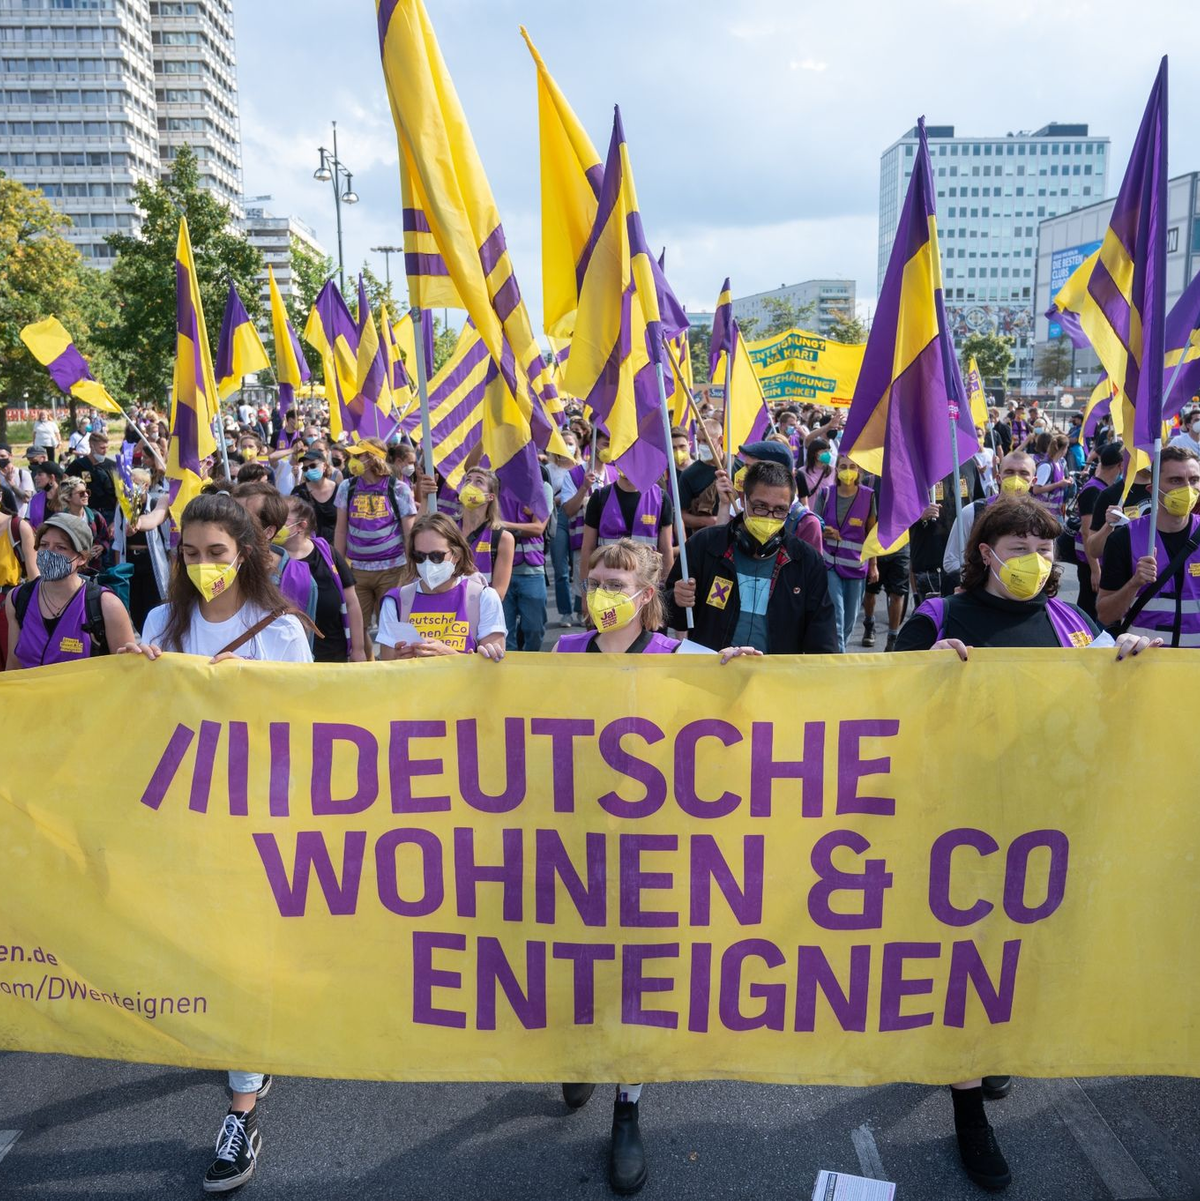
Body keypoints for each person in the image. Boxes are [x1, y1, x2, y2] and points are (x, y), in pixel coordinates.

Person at [895, 495, 1157, 1193]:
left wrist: (1133, 656)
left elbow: (1113, 684)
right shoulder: (936, 620)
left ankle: (994, 1042)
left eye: (1045, 551)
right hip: (953, 824)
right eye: (1020, 550)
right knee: (961, 963)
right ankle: (968, 1107)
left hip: (1039, 821)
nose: (1037, 564)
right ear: (984, 552)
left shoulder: (1068, 621)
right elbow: (878, 709)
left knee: (1018, 948)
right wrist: (922, 678)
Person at [554, 536, 762, 1196]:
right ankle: (579, 1049)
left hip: (651, 847)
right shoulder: (559, 654)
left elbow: (739, 708)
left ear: (647, 597)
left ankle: (627, 1103)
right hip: (572, 838)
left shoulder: (680, 656)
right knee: (573, 960)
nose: (602, 593)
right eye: (596, 579)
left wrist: (739, 670)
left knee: (635, 975)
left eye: (618, 582)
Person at [117, 492, 311, 1193]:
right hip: (186, 817)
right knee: (205, 948)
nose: (204, 566)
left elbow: (309, 730)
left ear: (247, 554)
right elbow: (144, 721)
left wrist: (250, 697)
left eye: (217, 554)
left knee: (241, 950)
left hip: (259, 816)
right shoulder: (162, 622)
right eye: (191, 554)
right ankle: (251, 1051)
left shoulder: (281, 629)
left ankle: (241, 1110)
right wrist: (135, 675)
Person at [666, 461, 838, 654]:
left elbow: (822, 635)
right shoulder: (704, 546)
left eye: (780, 510)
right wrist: (677, 599)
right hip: (713, 673)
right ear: (743, 499)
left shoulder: (806, 560)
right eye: (760, 506)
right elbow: (670, 615)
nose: (770, 517)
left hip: (774, 678)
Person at [1097, 445, 1200, 646]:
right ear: (1153, 490)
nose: (1187, 489)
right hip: (1144, 665)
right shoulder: (1124, 538)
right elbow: (1105, 615)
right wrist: (1134, 583)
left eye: (1194, 480)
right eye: (1175, 480)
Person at [5, 513, 132, 670]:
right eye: (44, 545)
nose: (49, 553)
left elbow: (126, 669)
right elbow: (14, 664)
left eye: (60, 547)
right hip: (29, 694)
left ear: (82, 558)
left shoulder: (106, 605)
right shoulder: (18, 598)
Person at [377, 512, 506, 660]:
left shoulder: (484, 597)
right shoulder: (395, 601)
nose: (427, 563)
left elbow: (493, 669)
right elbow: (387, 667)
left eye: (436, 556)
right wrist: (399, 658)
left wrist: (449, 655)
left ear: (456, 555)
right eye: (419, 556)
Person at [334, 437, 418, 655]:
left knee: (391, 628)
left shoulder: (398, 489)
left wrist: (412, 568)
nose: (353, 461)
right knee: (356, 628)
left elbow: (409, 532)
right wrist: (338, 566)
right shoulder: (346, 487)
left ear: (372, 459)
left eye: (358, 456)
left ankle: (390, 670)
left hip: (393, 570)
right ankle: (368, 665)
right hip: (358, 571)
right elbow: (341, 530)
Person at [283, 494, 367, 662]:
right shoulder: (272, 558)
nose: (274, 522)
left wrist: (358, 649)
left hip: (334, 653)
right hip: (289, 657)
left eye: (282, 518)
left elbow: (352, 603)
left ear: (301, 525)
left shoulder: (327, 552)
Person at [943, 452, 1038, 579]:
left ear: (1034, 481)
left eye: (1024, 473)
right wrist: (985, 581)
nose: (1016, 478)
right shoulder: (973, 512)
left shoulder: (1039, 518)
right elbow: (951, 561)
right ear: (998, 478)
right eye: (1009, 472)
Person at [821, 454, 878, 653]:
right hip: (830, 565)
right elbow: (815, 523)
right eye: (843, 466)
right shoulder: (826, 493)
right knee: (837, 615)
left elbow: (872, 534)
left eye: (852, 466)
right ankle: (840, 658)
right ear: (836, 469)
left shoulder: (868, 495)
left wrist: (874, 565)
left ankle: (839, 649)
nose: (848, 470)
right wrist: (825, 529)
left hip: (856, 567)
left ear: (859, 471)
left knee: (850, 620)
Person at [580, 467, 674, 583]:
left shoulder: (661, 498)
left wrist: (668, 590)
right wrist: (586, 592)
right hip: (608, 583)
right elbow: (588, 549)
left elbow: (666, 550)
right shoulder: (600, 497)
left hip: (645, 583)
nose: (630, 463)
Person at [499, 473, 553, 652]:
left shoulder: (542, 488)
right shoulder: (496, 485)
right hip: (500, 570)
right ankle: (509, 675)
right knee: (504, 633)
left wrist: (502, 525)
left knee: (534, 629)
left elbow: (538, 528)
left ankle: (531, 665)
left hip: (532, 571)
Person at [1072, 443, 1123, 622]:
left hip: (1096, 560)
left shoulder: (1101, 487)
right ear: (1120, 465)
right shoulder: (1094, 490)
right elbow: (1087, 532)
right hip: (1090, 561)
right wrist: (1095, 569)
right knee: (1087, 610)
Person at [457, 467, 515, 601]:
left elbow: (499, 593)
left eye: (478, 482)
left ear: (490, 496)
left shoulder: (502, 538)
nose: (470, 485)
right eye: (467, 480)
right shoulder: (448, 529)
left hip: (481, 611)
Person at [545, 428, 582, 625]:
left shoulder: (583, 467)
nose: (568, 445)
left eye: (571, 442)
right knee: (561, 568)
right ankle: (565, 612)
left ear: (576, 446)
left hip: (581, 518)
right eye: (564, 442)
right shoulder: (549, 469)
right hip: (558, 518)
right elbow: (545, 496)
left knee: (580, 565)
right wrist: (560, 499)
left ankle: (580, 608)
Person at [66, 431, 118, 535]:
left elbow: (120, 495)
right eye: (102, 448)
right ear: (91, 446)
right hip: (88, 514)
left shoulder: (112, 466)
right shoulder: (78, 465)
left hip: (110, 514)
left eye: (107, 448)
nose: (105, 451)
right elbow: (65, 488)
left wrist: (115, 521)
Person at [59, 476, 112, 562]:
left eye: (87, 492)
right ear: (67, 497)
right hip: (68, 568)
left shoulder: (96, 516)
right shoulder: (60, 520)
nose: (86, 495)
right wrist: (83, 553)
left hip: (93, 569)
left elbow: (105, 538)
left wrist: (102, 546)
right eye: (81, 493)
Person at [291, 448, 339, 542]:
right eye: (305, 468)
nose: (309, 470)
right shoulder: (299, 492)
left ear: (324, 466)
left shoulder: (339, 490)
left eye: (313, 466)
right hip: (310, 547)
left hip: (335, 547)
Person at [1030, 433, 1069, 514]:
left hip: (1054, 511)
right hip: (1044, 512)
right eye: (1067, 447)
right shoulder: (1046, 466)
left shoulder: (1059, 463)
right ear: (1063, 449)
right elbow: (1036, 490)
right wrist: (1059, 484)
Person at [0, 442, 34, 516]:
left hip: (19, 519)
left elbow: (27, 498)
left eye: (2, 456)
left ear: (10, 456)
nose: (0, 459)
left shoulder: (23, 474)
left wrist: (12, 484)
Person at [26, 461, 64, 527]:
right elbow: (27, 522)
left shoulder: (67, 498)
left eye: (40, 474)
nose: (35, 478)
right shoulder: (35, 499)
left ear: (52, 478)